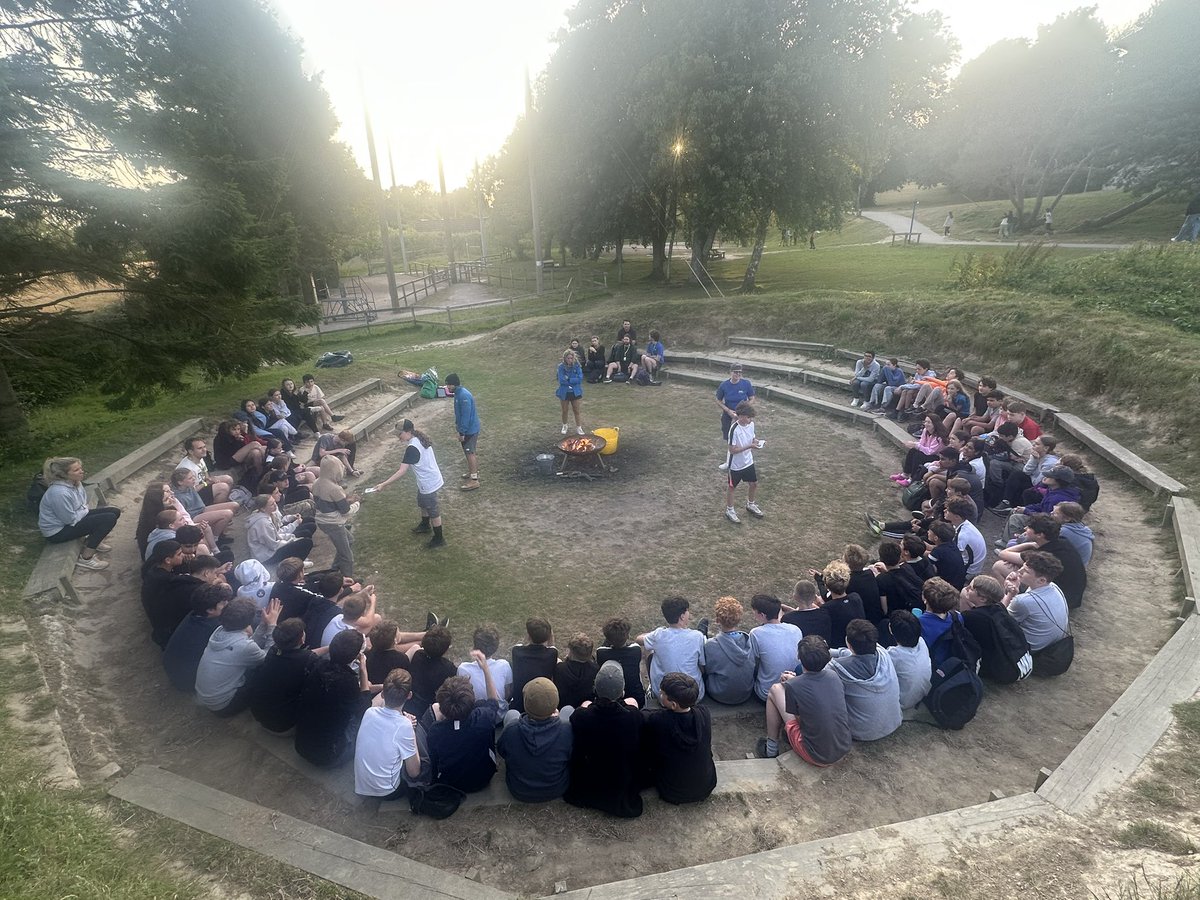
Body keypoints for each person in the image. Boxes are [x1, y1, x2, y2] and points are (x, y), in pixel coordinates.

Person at [564, 661, 644, 818]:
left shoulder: (581, 716)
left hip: (589, 783)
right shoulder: (633, 717)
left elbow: (581, 712)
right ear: (622, 692)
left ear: (595, 690)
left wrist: (586, 705)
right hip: (620, 783)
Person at [757, 635, 851, 765]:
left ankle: (771, 748)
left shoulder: (794, 686)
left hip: (816, 755)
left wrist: (793, 683)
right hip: (842, 747)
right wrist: (796, 680)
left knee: (774, 689)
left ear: (799, 657)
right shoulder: (833, 675)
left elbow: (800, 722)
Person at [294, 630, 372, 767]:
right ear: (355, 656)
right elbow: (365, 708)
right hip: (329, 756)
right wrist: (363, 671)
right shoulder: (348, 682)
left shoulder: (317, 665)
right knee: (373, 712)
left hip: (301, 746)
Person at [195, 596, 282, 716]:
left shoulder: (219, 631)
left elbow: (248, 644)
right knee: (267, 672)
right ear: (249, 623)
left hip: (207, 698)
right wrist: (272, 625)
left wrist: (263, 624)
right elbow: (268, 657)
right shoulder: (243, 646)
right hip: (224, 706)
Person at [641, 672, 717, 804]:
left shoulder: (659, 720)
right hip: (706, 785)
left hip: (672, 791)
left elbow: (646, 717)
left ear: (674, 705)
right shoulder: (704, 714)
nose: (660, 693)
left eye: (663, 693)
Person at [426, 662, 501, 793]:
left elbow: (434, 759)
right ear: (471, 701)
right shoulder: (484, 718)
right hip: (483, 778)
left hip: (450, 781)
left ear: (442, 707)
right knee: (483, 703)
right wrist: (486, 670)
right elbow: (493, 701)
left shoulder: (435, 730)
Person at [497, 677, 575, 803]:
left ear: (526, 704)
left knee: (512, 714)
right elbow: (571, 755)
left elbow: (502, 751)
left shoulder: (512, 730)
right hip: (556, 788)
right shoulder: (567, 730)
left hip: (520, 789)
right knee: (568, 710)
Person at [38, 457, 121, 571]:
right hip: (57, 531)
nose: (82, 471)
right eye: (76, 470)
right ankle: (86, 558)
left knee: (114, 511)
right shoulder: (59, 493)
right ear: (64, 474)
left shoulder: (76, 483)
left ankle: (92, 541)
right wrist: (84, 510)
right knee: (108, 518)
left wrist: (83, 510)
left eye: (80, 468)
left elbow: (82, 504)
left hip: (73, 518)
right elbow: (69, 519)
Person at [374, 419, 446, 550]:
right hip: (427, 480)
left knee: (433, 510)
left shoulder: (412, 448)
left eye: (399, 434)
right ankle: (425, 525)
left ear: (408, 432)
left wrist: (383, 484)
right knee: (422, 502)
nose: (398, 437)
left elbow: (402, 471)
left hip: (428, 483)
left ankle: (439, 538)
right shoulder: (418, 437)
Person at [828, 619, 902, 742]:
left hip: (862, 732)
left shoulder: (836, 668)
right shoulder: (883, 653)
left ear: (849, 643)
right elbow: (852, 654)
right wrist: (832, 652)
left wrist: (823, 651)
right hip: (893, 721)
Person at [354, 669, 423, 801]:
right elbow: (414, 772)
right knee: (419, 743)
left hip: (362, 785)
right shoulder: (404, 726)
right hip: (388, 791)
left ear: (383, 694)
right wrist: (411, 729)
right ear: (409, 695)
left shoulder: (369, 712)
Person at [249, 617, 322, 733]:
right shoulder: (308, 660)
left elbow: (306, 655)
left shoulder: (272, 651)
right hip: (283, 726)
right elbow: (308, 656)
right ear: (301, 641)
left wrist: (328, 648)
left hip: (259, 716)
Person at [163, 583, 231, 693]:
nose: (228, 604)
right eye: (223, 603)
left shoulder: (194, 613)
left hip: (174, 670)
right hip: (190, 682)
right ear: (210, 610)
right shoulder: (215, 628)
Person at [636, 596, 706, 702]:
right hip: (693, 696)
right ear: (682, 616)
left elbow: (639, 639)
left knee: (649, 649)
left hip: (665, 698)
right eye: (687, 611)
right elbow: (702, 666)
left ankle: (652, 687)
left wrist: (651, 635)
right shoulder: (697, 636)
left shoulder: (658, 635)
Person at [1002, 552, 1070, 654]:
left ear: (1041, 580)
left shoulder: (1023, 601)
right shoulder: (1054, 587)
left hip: (1029, 650)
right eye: (1022, 567)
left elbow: (1000, 618)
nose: (1019, 571)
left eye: (1026, 572)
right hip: (1049, 644)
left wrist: (1010, 594)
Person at [748, 594, 803, 701]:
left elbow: (752, 663)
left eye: (755, 611)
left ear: (762, 615)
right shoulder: (795, 629)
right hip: (794, 690)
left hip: (767, 693)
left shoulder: (756, 633)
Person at [703, 596, 755, 705]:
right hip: (746, 693)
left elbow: (707, 670)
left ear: (717, 620)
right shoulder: (749, 641)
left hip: (720, 694)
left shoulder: (711, 645)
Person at [312, 457, 359, 577]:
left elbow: (328, 504)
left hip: (322, 521)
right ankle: (347, 581)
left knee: (349, 540)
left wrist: (346, 501)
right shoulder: (335, 489)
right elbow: (346, 511)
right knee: (347, 556)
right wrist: (356, 504)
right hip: (333, 523)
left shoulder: (316, 482)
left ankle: (334, 569)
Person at [246, 494, 315, 567]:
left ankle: (296, 559)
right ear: (263, 508)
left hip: (272, 548)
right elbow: (273, 545)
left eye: (274, 502)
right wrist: (292, 539)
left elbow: (276, 534)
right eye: (272, 504)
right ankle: (296, 565)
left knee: (303, 535)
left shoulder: (266, 514)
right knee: (307, 542)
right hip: (267, 557)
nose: (275, 505)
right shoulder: (263, 523)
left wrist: (291, 536)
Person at [458, 624, 514, 713]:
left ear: (475, 646)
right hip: (494, 717)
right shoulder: (504, 665)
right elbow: (507, 694)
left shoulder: (463, 669)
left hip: (481, 718)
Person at [723, 401, 764, 523]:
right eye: (748, 417)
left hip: (748, 462)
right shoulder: (734, 429)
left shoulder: (751, 425)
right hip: (735, 465)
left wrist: (756, 442)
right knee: (732, 487)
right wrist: (749, 446)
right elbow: (732, 450)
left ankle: (750, 504)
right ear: (741, 416)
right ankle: (730, 510)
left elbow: (752, 437)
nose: (751, 419)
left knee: (754, 484)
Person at [884, 611, 931, 713]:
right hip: (922, 693)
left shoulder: (892, 654)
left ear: (891, 629)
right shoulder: (922, 642)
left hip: (901, 702)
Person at [407, 625, 456, 721]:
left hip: (410, 703)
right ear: (446, 649)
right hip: (428, 711)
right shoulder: (449, 668)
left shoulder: (417, 655)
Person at [511, 616, 558, 713]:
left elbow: (522, 645)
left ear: (528, 635)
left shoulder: (516, 651)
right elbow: (552, 646)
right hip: (535, 704)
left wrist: (529, 637)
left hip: (520, 705)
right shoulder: (552, 653)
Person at [596, 617, 646, 708]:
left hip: (611, 699)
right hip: (636, 698)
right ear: (627, 636)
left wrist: (611, 638)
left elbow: (605, 647)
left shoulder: (601, 653)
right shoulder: (635, 650)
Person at [444, 373, 482, 490]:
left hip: (469, 430)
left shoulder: (463, 396)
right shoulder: (458, 393)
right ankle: (472, 472)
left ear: (454, 384)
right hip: (467, 429)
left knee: (470, 453)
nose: (447, 387)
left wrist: (462, 432)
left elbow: (466, 416)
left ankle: (474, 480)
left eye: (449, 385)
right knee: (468, 452)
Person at [818, 560, 866, 650]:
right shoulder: (856, 597)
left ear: (827, 586)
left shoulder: (827, 608)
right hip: (859, 644)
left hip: (840, 650)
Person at [178, 437, 234, 505]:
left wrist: (210, 479)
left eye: (204, 447)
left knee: (228, 479)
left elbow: (205, 472)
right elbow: (190, 491)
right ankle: (215, 509)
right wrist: (206, 483)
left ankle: (223, 502)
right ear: (191, 452)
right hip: (193, 495)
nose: (204, 450)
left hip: (202, 484)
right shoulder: (186, 468)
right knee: (223, 487)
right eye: (200, 448)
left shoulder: (199, 458)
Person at [554, 633, 599, 710]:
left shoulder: (559, 669)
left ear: (570, 651)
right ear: (590, 653)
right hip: (586, 711)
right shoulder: (596, 669)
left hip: (563, 710)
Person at [715, 363, 755, 446]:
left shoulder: (746, 384)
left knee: (743, 433)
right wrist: (728, 411)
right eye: (735, 372)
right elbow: (718, 400)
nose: (738, 374)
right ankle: (732, 449)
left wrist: (744, 409)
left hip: (743, 414)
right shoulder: (724, 385)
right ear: (731, 372)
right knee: (728, 434)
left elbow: (752, 398)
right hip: (728, 414)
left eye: (740, 372)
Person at [556, 349, 585, 436]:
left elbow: (580, 379)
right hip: (564, 391)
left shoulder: (577, 366)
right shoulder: (561, 367)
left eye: (571, 358)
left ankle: (579, 427)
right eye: (568, 358)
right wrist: (572, 381)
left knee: (576, 410)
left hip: (575, 391)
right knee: (564, 410)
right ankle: (565, 425)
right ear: (565, 358)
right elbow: (561, 380)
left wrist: (569, 379)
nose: (570, 360)